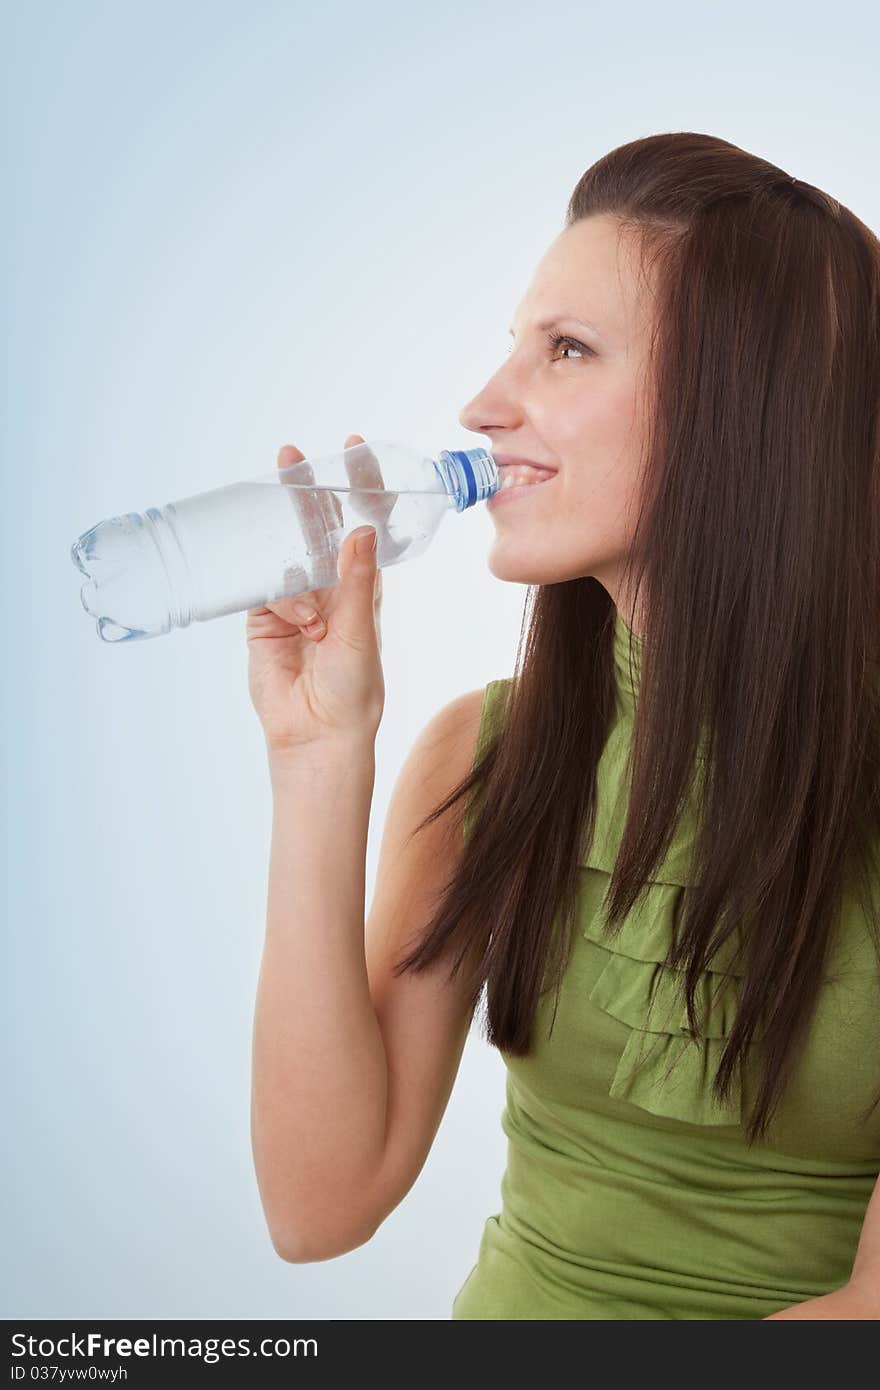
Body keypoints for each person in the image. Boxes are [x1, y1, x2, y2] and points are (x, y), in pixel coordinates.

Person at [246, 131, 880, 1319]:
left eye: (567, 350)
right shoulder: (488, 757)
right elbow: (318, 1205)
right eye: (514, 347)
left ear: (737, 411)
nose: (484, 407)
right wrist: (316, 756)